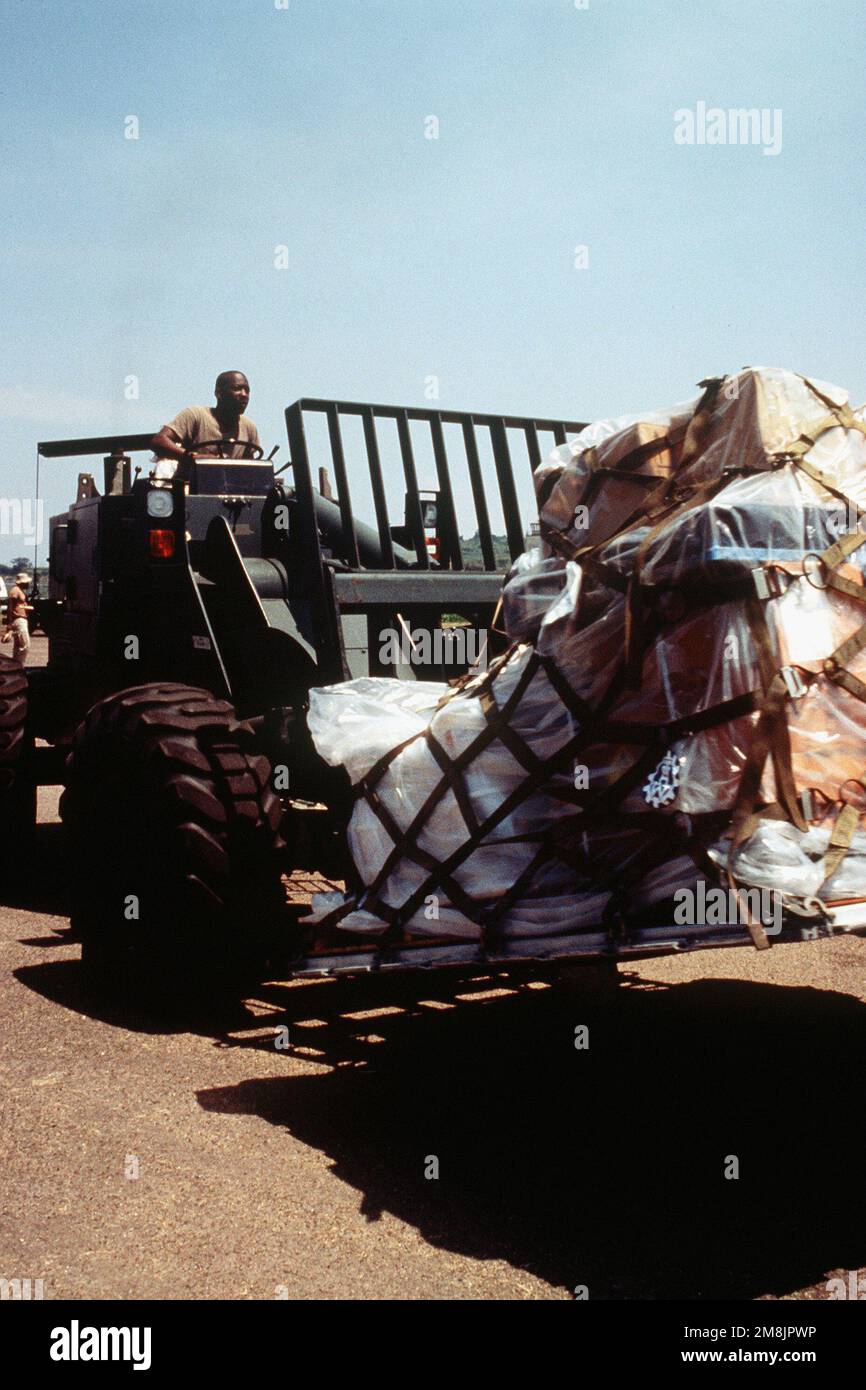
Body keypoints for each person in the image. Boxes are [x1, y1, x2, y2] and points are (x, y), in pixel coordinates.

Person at [150, 371, 262, 480]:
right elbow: (159, 441)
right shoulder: (195, 415)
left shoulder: (249, 428)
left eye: (247, 390)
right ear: (219, 393)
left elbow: (249, 469)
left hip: (230, 491)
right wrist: (193, 457)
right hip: (190, 488)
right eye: (237, 389)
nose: (244, 394)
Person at [3, 572, 33, 664]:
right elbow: (10, 607)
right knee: (25, 645)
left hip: (22, 619)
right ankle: (19, 665)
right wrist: (9, 623)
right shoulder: (15, 590)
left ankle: (16, 665)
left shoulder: (20, 590)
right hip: (18, 619)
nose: (28, 584)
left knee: (18, 645)